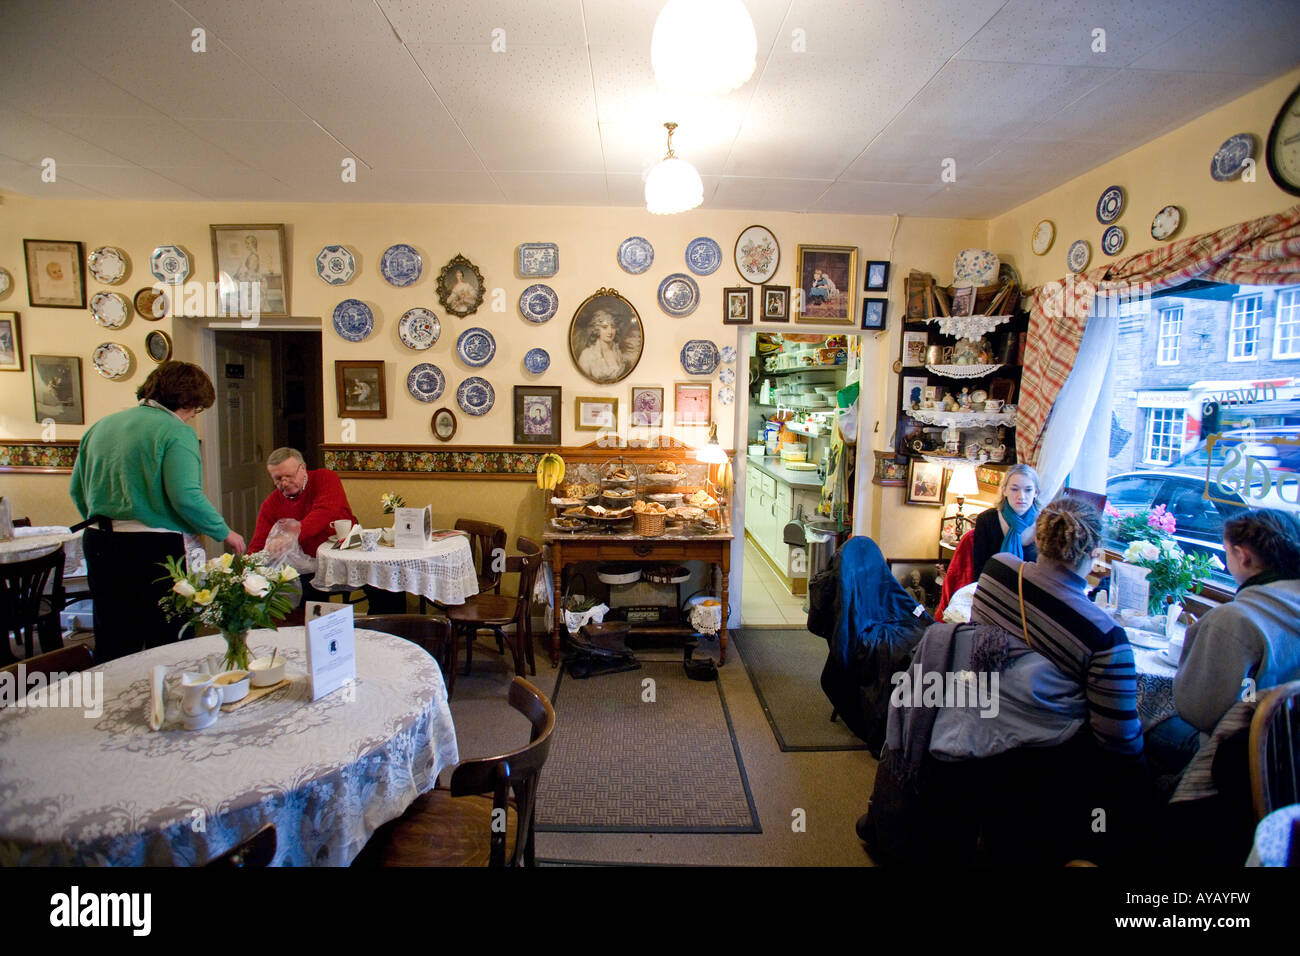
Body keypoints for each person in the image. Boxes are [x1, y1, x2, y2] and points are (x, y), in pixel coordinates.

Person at [69, 361, 245, 662]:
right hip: (153, 549)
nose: (193, 416)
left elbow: (77, 490)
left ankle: (115, 704)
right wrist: (224, 532)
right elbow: (185, 496)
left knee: (113, 636)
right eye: (195, 409)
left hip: (99, 542)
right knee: (168, 637)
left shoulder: (101, 426)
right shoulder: (176, 432)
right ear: (186, 400)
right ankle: (167, 703)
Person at [1147, 509, 1300, 775]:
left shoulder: (1234, 620)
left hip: (1240, 756)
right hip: (1289, 753)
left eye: (1227, 552)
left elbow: (1199, 712)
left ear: (1242, 556)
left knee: (1142, 721)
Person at [969, 462, 1040, 579]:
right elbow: (979, 569)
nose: (1021, 496)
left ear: (1036, 492)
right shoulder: (986, 520)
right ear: (1004, 490)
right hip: (993, 588)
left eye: (1028, 490)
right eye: (1014, 489)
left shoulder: (1045, 524)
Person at [577, 310, 625, 383]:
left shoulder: (619, 353)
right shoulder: (587, 355)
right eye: (604, 327)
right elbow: (582, 382)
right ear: (597, 329)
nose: (610, 332)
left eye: (613, 327)